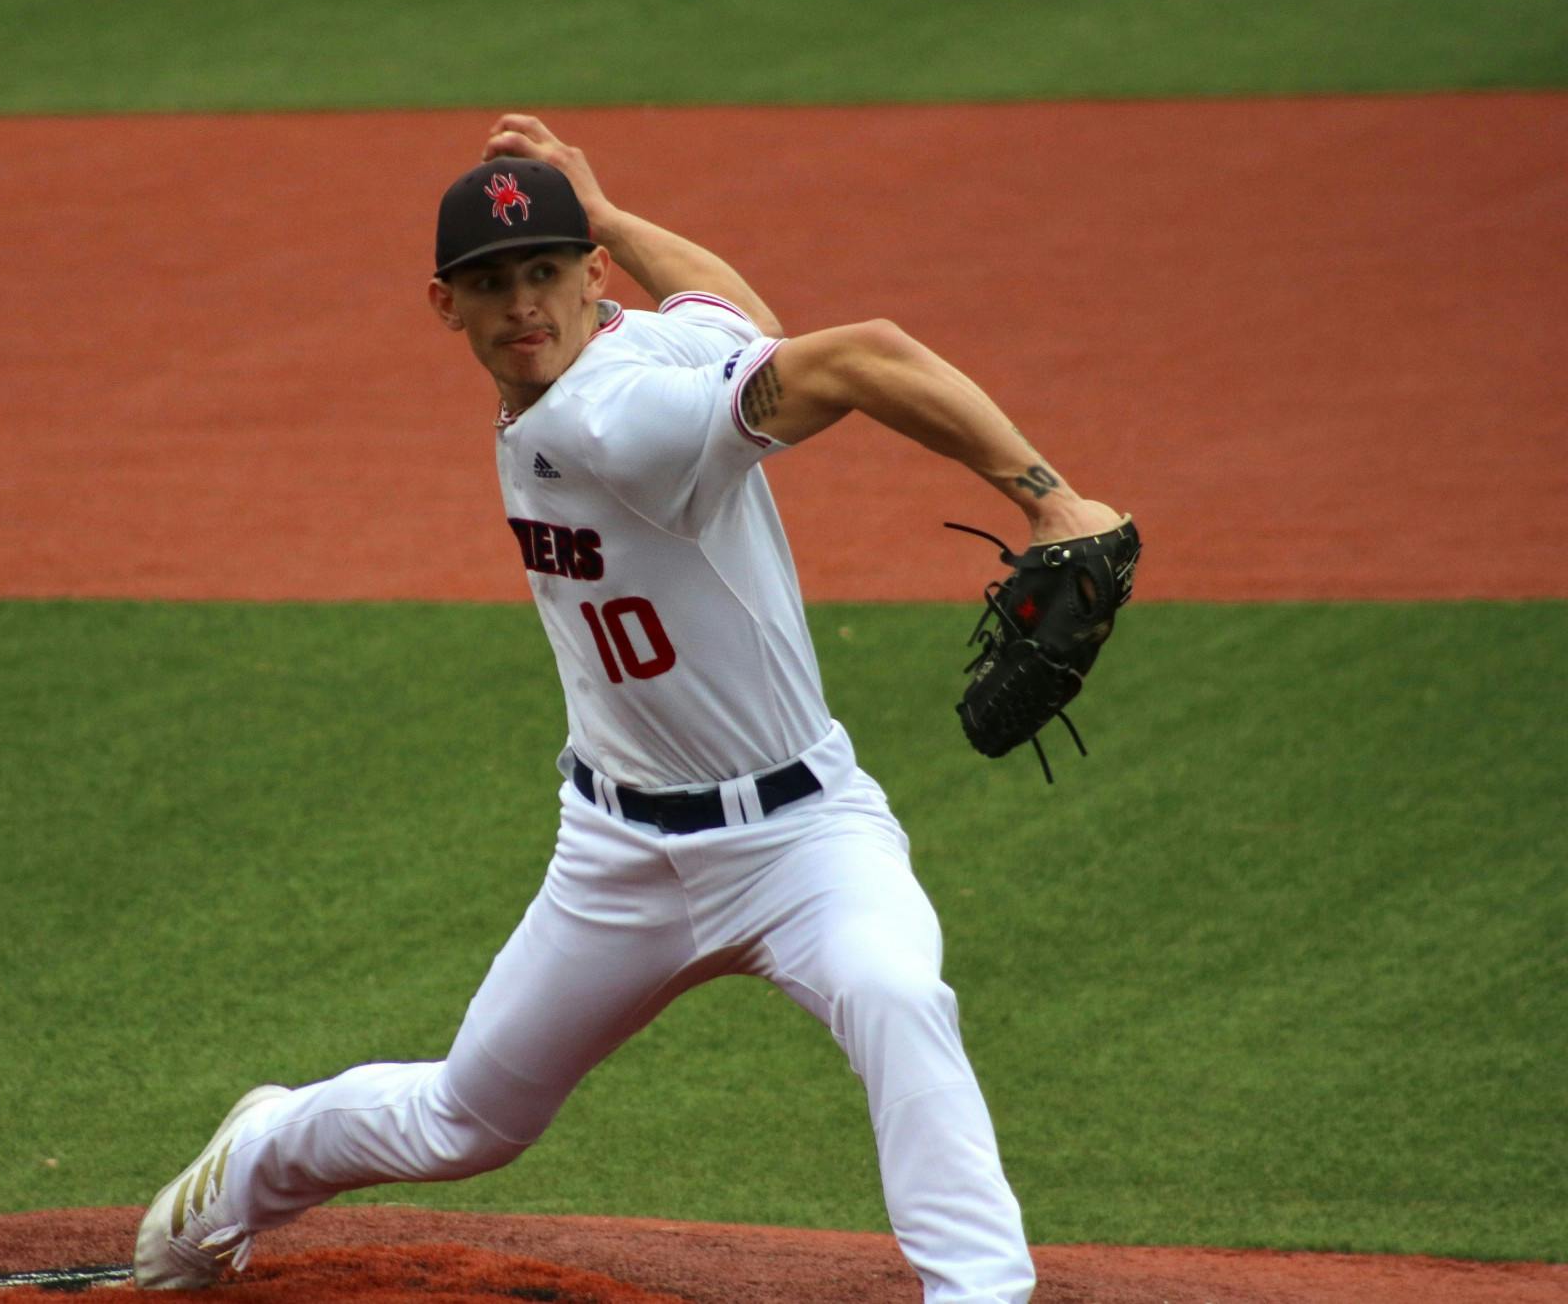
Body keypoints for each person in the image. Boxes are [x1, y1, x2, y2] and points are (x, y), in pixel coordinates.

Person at [134, 114, 1127, 1303]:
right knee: (468, 1119)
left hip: (803, 839)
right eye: (490, 284)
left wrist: (1047, 498)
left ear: (591, 279)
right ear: (442, 304)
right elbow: (748, 316)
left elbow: (856, 348)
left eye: (548, 270)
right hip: (615, 852)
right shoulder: (620, 390)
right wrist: (1052, 503)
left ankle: (979, 1292)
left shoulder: (629, 388)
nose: (522, 306)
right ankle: (255, 1154)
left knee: (892, 989)